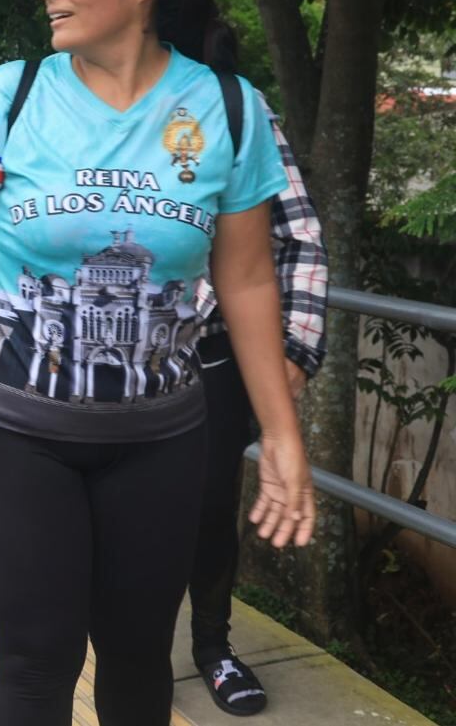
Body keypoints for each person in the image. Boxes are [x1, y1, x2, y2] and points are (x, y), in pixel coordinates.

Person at [0, 0, 316, 725]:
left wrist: (282, 436)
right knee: (39, 660)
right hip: (13, 429)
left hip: (161, 441)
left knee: (140, 658)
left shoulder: (227, 108)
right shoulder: (13, 93)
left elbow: (250, 280)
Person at [189, 105, 328, 715]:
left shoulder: (233, 108)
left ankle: (212, 645)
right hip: (101, 360)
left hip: (208, 355)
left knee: (212, 509)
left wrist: (293, 348)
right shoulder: (56, 96)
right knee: (110, 513)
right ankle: (116, 638)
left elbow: (297, 232)